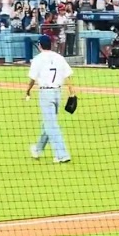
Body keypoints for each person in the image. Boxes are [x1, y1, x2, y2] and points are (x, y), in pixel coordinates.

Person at [25, 34, 75, 164]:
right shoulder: (59, 57)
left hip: (46, 94)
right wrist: (72, 92)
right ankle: (37, 149)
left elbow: (32, 78)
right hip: (58, 92)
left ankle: (62, 154)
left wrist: (28, 91)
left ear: (40, 45)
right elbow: (68, 76)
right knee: (48, 123)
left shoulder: (38, 59)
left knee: (51, 125)